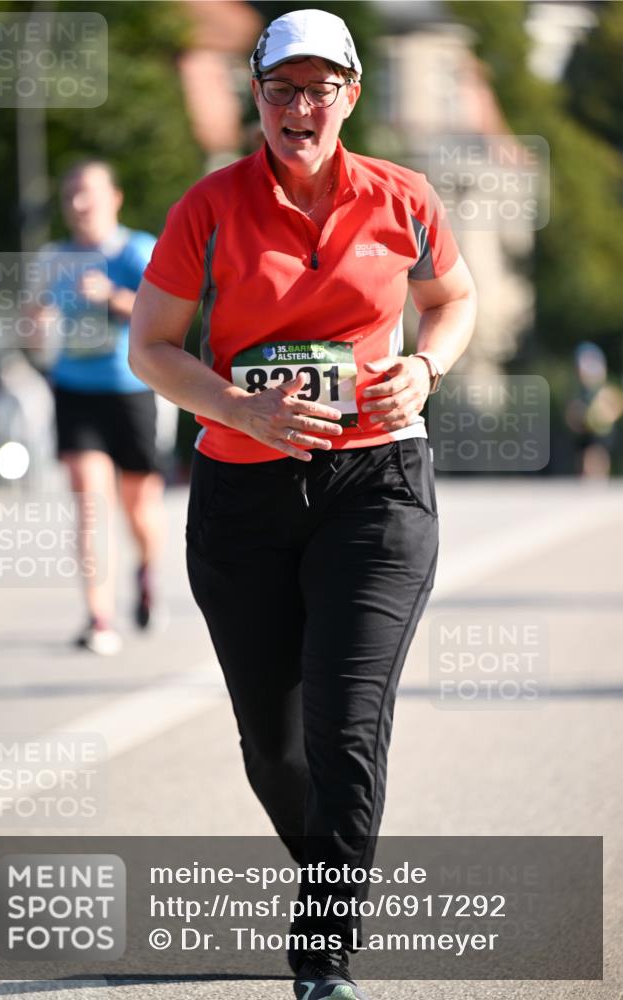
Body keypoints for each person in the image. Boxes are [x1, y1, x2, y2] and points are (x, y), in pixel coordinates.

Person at [130, 9, 476, 998]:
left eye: (320, 87)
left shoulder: (401, 198)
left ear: (349, 96)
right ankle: (337, 861)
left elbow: (454, 300)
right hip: (241, 492)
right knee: (274, 746)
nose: (299, 105)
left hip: (377, 489)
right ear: (256, 95)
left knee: (345, 724)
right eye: (282, 87)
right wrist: (239, 405)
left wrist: (425, 363)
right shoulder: (210, 206)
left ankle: (323, 954)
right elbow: (149, 346)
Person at [37, 161, 165, 655]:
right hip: (74, 388)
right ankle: (99, 617)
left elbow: (164, 311)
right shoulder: (54, 257)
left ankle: (146, 569)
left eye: (87, 192)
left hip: (131, 389)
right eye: (70, 193)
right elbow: (35, 319)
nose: (78, 203)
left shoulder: (137, 250)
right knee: (90, 503)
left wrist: (113, 296)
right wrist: (36, 317)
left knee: (138, 505)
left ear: (115, 198)